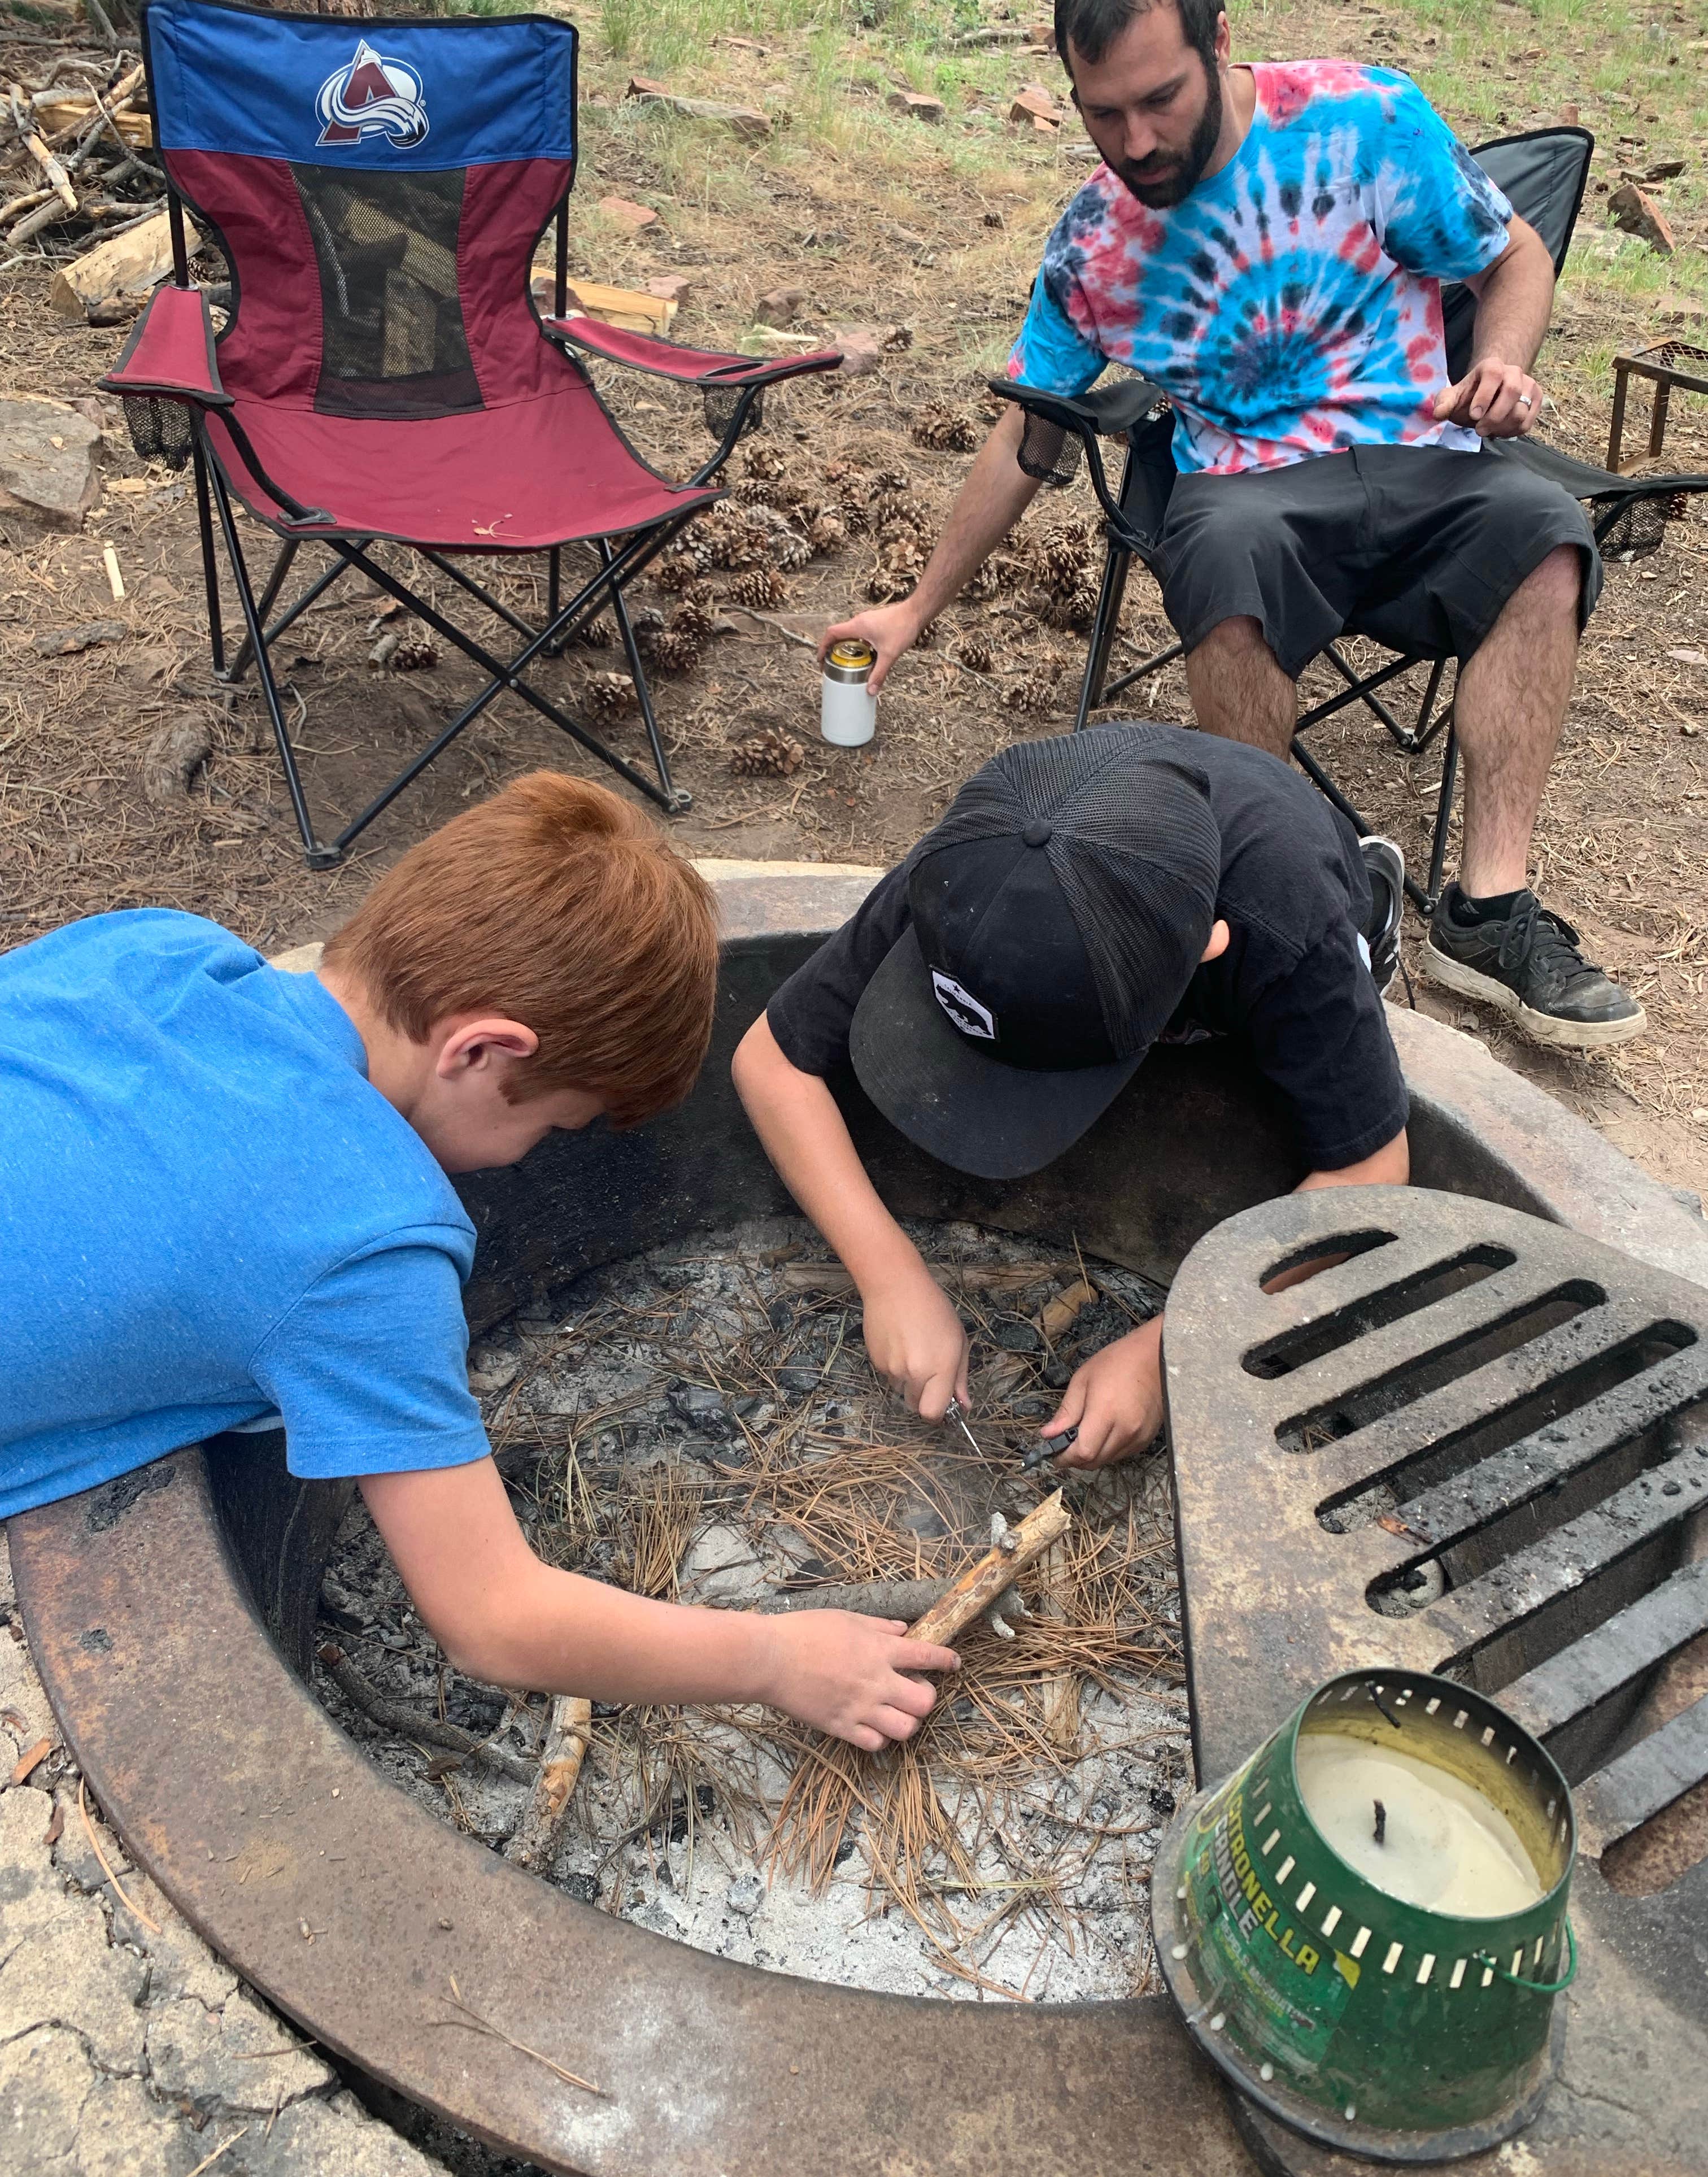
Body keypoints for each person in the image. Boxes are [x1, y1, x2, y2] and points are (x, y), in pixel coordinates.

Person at [0, 773, 955, 1753]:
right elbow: (494, 1617)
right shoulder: (364, 1242)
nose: (527, 1157)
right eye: (551, 1125)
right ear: (482, 1052)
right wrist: (779, 1660)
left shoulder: (161, 947)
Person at [822, 0, 1643, 1050]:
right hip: (1246, 487)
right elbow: (1031, 436)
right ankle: (1281, 909)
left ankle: (1484, 917)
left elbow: (1511, 257)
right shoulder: (1094, 243)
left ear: (1218, 42)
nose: (1137, 143)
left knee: (1544, 526)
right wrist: (915, 606)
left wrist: (1504, 361)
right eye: (1103, 113)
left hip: (1420, 451)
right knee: (1221, 551)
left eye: (1160, 100)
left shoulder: (1360, 119)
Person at [733, 721, 1410, 1465]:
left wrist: (1168, 1350)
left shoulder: (1282, 926)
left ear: (1205, 946)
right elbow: (771, 1063)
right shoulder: (979, 862)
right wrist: (889, 1275)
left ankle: (1367, 914)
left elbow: (1369, 1171)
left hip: (1285, 900)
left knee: (1306, 1047)